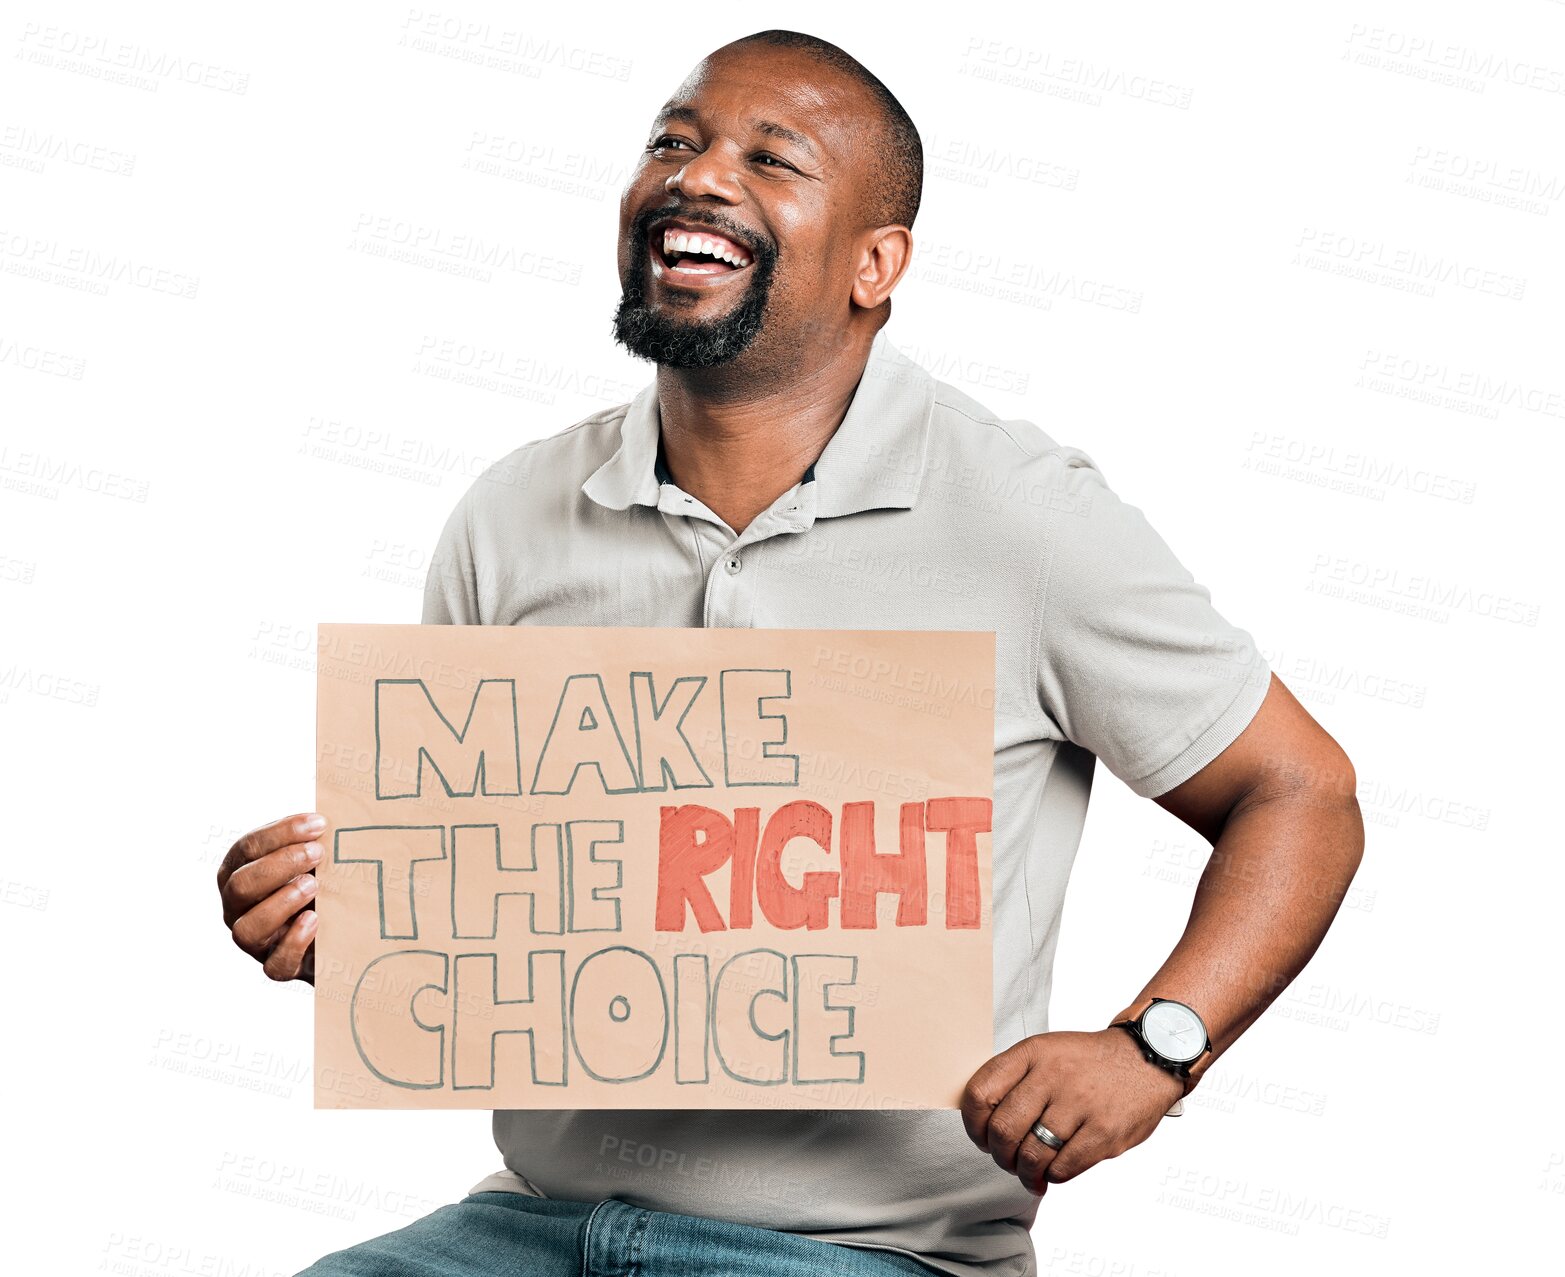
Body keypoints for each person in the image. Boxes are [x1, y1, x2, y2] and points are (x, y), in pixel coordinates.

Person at [216, 29, 1365, 1277]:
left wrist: (1154, 1045)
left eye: (772, 160)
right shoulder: (511, 513)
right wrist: (356, 923)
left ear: (877, 264)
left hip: (859, 1250)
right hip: (528, 1223)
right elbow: (490, 906)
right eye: (674, 139)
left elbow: (1298, 789)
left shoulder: (1024, 516)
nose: (699, 175)